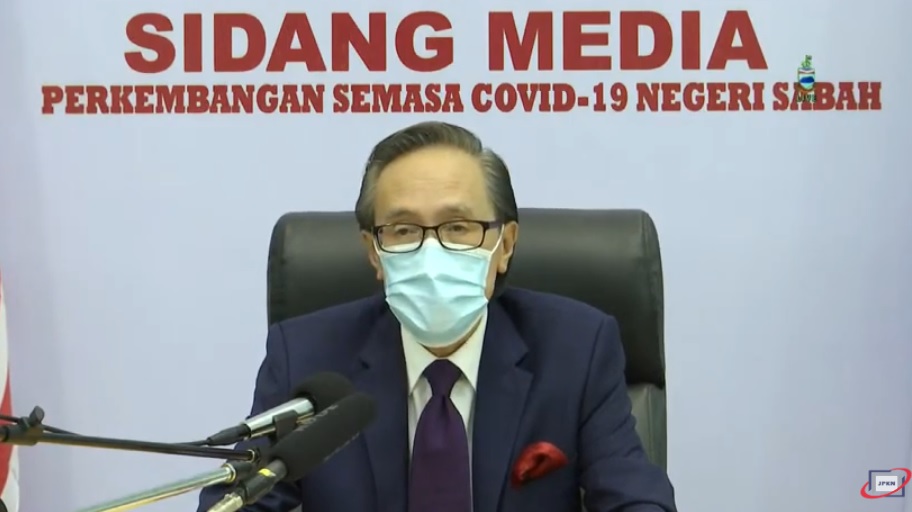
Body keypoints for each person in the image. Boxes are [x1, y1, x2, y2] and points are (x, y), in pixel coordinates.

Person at [196, 121, 677, 512]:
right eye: (404, 230)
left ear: (505, 245)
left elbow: (636, 499)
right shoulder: (306, 357)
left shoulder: (577, 348)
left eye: (458, 227)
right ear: (373, 252)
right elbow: (239, 502)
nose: (432, 253)